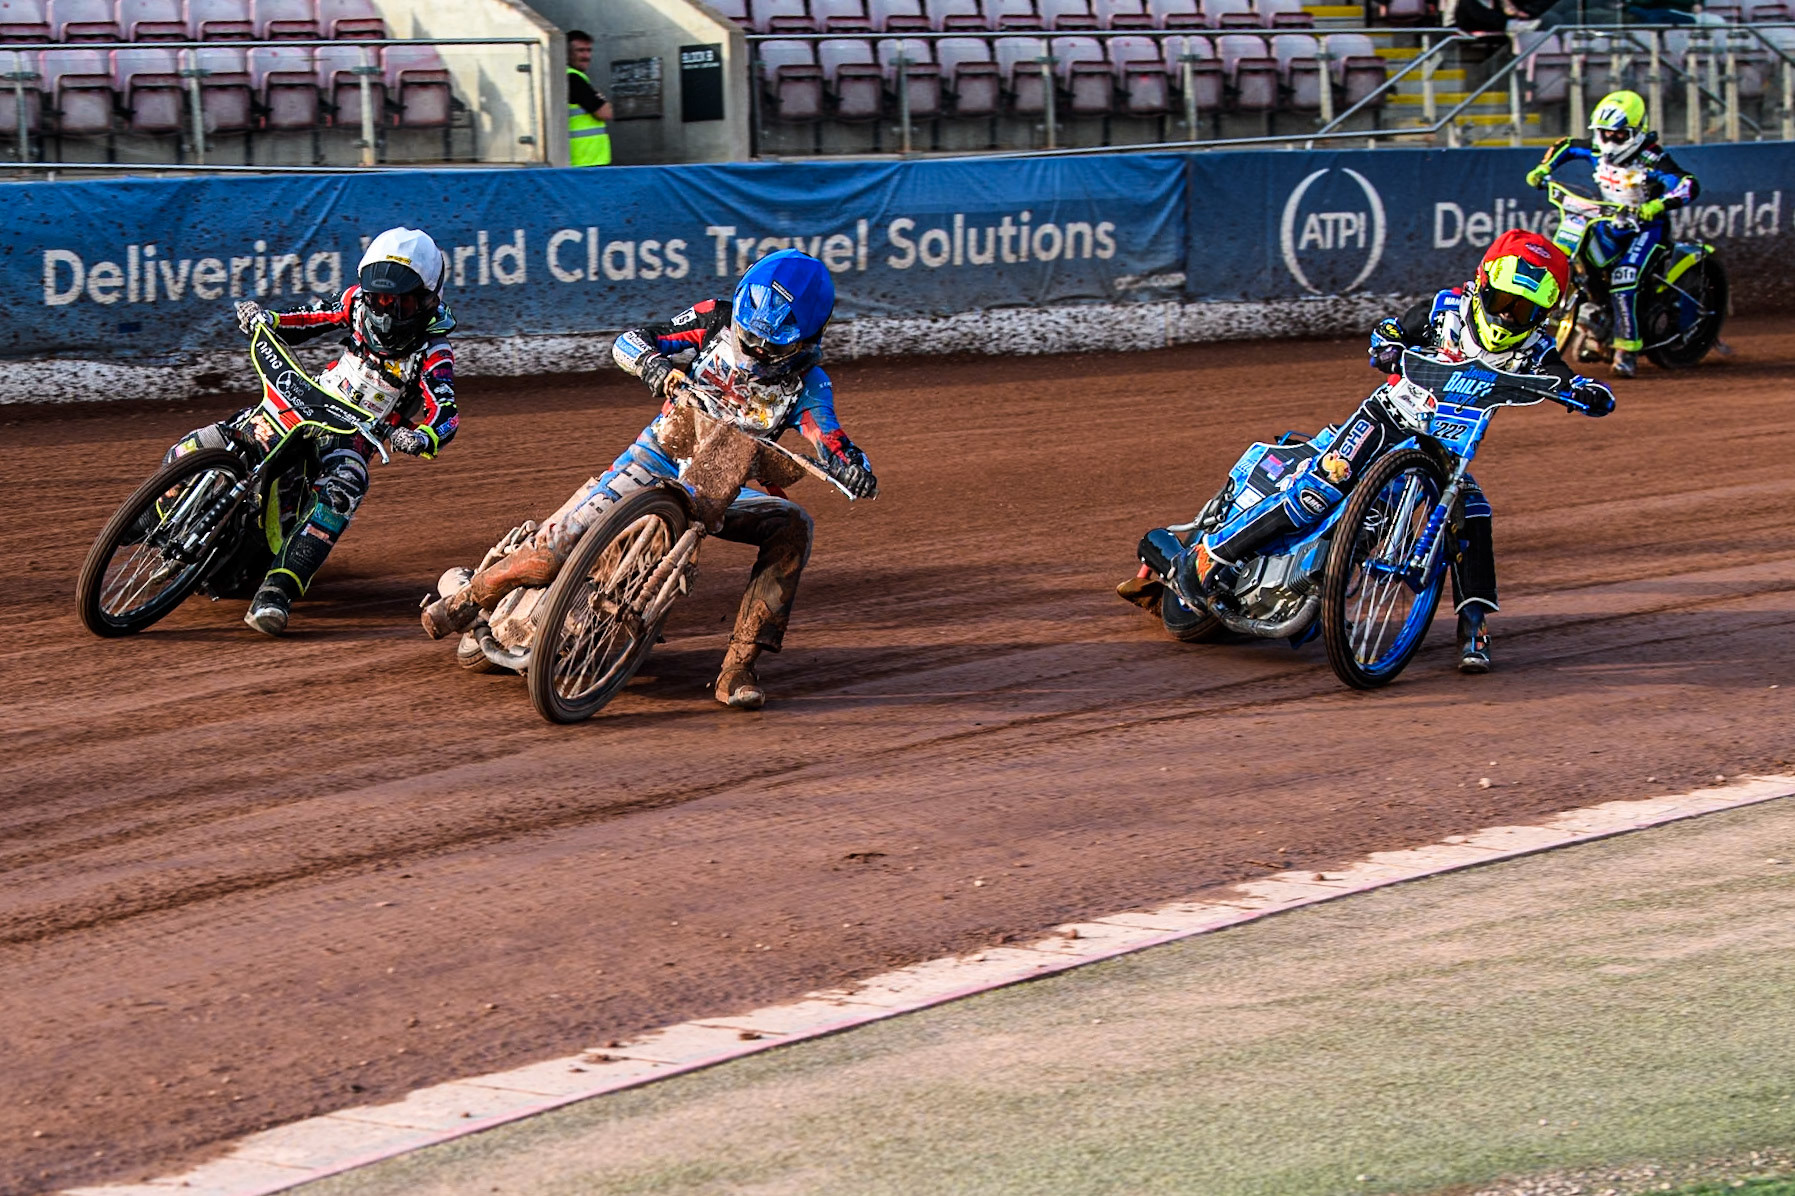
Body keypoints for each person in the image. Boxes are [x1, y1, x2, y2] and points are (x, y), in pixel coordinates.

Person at [420, 249, 877, 710]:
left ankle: (739, 665)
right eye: (749, 334)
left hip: (718, 490)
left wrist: (853, 467)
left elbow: (828, 437)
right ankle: (467, 601)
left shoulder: (809, 384)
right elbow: (631, 340)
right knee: (553, 553)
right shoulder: (714, 320)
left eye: (771, 345)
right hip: (652, 460)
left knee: (793, 526)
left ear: (807, 340)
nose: (755, 349)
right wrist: (657, 367)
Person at [1140, 230, 1613, 673]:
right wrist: (1386, 347)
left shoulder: (1535, 347)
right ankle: (1214, 556)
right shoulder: (1445, 309)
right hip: (1388, 417)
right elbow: (1389, 329)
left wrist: (1587, 391)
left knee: (1473, 513)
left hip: (1447, 449)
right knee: (1316, 492)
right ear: (1482, 284)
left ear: (1543, 316)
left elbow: (1565, 377)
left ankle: (1475, 624)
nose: (1509, 316)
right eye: (1503, 301)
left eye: (1524, 310)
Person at [163, 227, 458, 636]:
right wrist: (268, 320)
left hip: (353, 432)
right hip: (306, 398)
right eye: (381, 299)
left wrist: (422, 437)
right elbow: (311, 318)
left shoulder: (433, 352)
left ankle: (276, 592)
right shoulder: (355, 303)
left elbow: (446, 411)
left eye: (401, 301)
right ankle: (148, 518)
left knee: (347, 483)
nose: (387, 311)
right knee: (213, 439)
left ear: (427, 299)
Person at [1526, 89, 1700, 377]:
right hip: (1607, 221)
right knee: (1584, 264)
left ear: (1635, 132)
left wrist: (1658, 204)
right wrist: (1543, 169)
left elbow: (1688, 184)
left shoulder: (1651, 158)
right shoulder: (1595, 149)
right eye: (1603, 133)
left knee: (1624, 279)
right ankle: (1595, 326)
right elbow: (1566, 146)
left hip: (1646, 230)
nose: (1608, 141)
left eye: (1617, 135)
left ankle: (1626, 350)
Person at [565, 29, 613, 167]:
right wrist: (600, 99)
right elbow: (605, 112)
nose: (586, 55)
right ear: (567, 53)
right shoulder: (573, 78)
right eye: (580, 50)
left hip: (584, 160)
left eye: (588, 50)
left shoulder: (572, 77)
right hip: (586, 160)